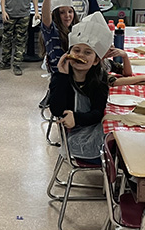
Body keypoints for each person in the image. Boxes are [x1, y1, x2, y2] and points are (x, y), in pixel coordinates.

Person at [48, 13, 112, 164]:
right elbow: (56, 110)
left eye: (87, 52)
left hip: (94, 128)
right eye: (76, 50)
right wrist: (62, 76)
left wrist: (76, 117)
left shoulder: (99, 79)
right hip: (75, 138)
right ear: (68, 54)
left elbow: (98, 112)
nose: (81, 56)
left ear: (96, 60)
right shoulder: (61, 78)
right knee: (112, 156)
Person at [41, 0, 78, 74]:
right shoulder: (53, 31)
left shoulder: (75, 29)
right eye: (62, 12)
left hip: (74, 72)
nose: (67, 15)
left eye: (70, 11)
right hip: (59, 74)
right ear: (56, 15)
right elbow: (45, 17)